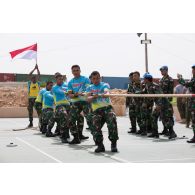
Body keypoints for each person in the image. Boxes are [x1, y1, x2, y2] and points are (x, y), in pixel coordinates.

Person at [87, 71, 119, 153]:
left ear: (100, 78)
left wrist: (104, 93)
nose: (96, 80)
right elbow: (88, 99)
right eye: (94, 78)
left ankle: (113, 144)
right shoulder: (89, 88)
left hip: (107, 108)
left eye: (97, 78)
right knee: (94, 125)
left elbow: (106, 91)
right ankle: (100, 145)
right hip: (97, 111)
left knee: (112, 120)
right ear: (91, 79)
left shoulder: (104, 85)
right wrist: (94, 96)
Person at [144, 73, 177, 139]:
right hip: (158, 104)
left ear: (147, 79)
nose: (143, 80)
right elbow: (145, 93)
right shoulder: (147, 86)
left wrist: (159, 105)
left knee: (166, 119)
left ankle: (172, 133)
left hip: (164, 104)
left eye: (144, 79)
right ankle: (155, 133)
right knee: (154, 116)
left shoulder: (155, 86)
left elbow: (160, 96)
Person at [68, 65, 91, 144]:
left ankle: (97, 138)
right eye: (74, 70)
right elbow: (70, 95)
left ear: (80, 71)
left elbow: (88, 90)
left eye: (77, 70)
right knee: (71, 119)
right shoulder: (71, 82)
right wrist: (77, 94)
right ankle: (76, 137)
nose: (76, 72)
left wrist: (82, 93)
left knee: (90, 120)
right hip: (75, 102)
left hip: (85, 102)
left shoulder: (85, 79)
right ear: (72, 72)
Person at [49, 74, 71, 143]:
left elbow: (70, 92)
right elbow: (61, 92)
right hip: (59, 106)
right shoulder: (54, 87)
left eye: (62, 79)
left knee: (68, 119)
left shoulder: (66, 86)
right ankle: (63, 136)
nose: (61, 80)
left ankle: (67, 134)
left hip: (68, 105)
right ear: (56, 80)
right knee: (64, 116)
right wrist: (69, 92)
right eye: (59, 79)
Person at [177, 65, 195, 143]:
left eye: (194, 70)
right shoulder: (193, 78)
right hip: (192, 102)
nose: (193, 71)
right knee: (193, 120)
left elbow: (186, 84)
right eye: (193, 70)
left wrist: (180, 78)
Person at [159, 65, 174, 136]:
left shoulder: (170, 79)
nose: (161, 72)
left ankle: (172, 132)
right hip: (161, 101)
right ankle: (165, 130)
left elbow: (170, 91)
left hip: (167, 101)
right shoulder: (161, 79)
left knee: (168, 116)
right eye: (161, 70)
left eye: (162, 70)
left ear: (166, 70)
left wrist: (169, 101)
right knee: (162, 116)